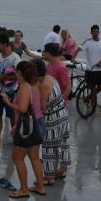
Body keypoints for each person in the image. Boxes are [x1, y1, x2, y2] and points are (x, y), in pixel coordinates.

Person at [1, 61, 46, 198]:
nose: (15, 73)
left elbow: (22, 109)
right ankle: (40, 186)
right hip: (38, 122)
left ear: (20, 72)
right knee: (34, 158)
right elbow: (42, 106)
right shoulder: (37, 85)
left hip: (27, 127)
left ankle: (24, 189)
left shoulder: (24, 87)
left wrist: (7, 102)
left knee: (18, 158)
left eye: (16, 71)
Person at [30, 58, 70, 186]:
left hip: (52, 118)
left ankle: (49, 177)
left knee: (49, 147)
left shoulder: (42, 85)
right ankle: (62, 170)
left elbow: (43, 107)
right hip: (62, 114)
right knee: (63, 143)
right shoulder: (50, 78)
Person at [0, 34, 21, 146]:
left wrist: (3, 78)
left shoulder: (16, 58)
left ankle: (16, 138)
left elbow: (19, 76)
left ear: (5, 44)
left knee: (12, 116)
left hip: (11, 91)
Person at [72, 24, 101, 95]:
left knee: (100, 88)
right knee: (93, 88)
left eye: (97, 32)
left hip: (100, 69)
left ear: (99, 32)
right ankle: (92, 104)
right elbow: (77, 49)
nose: (95, 33)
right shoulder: (88, 42)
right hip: (91, 70)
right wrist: (73, 58)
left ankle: (88, 98)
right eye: (94, 32)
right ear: (91, 33)